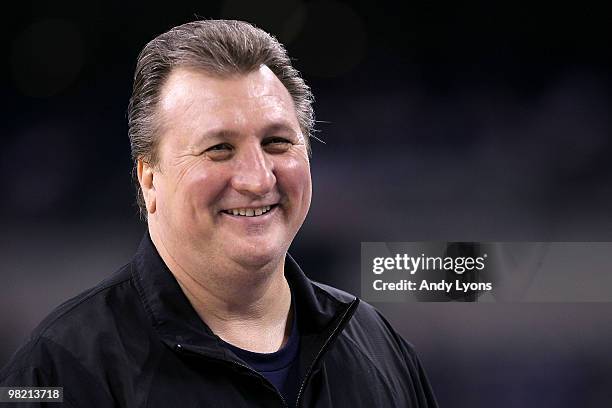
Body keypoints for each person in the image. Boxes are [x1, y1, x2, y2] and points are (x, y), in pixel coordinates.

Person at [0, 20, 438, 407]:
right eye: (219, 149)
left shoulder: (377, 346)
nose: (257, 179)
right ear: (149, 180)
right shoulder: (59, 370)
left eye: (277, 143)